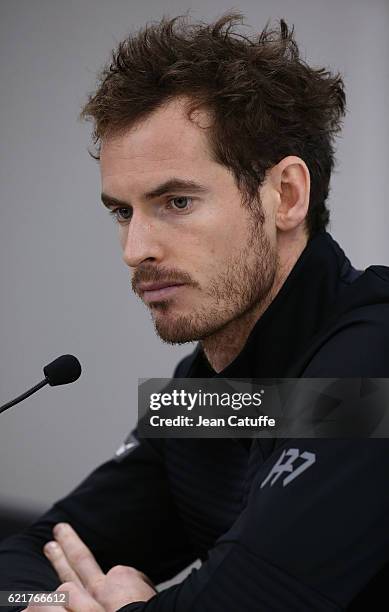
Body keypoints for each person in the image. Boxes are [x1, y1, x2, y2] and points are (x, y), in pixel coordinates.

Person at [1, 11, 389, 612]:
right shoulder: (204, 390)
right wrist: (45, 606)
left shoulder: (373, 358)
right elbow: (27, 556)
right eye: (123, 212)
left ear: (285, 195)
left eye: (176, 201)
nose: (136, 251)